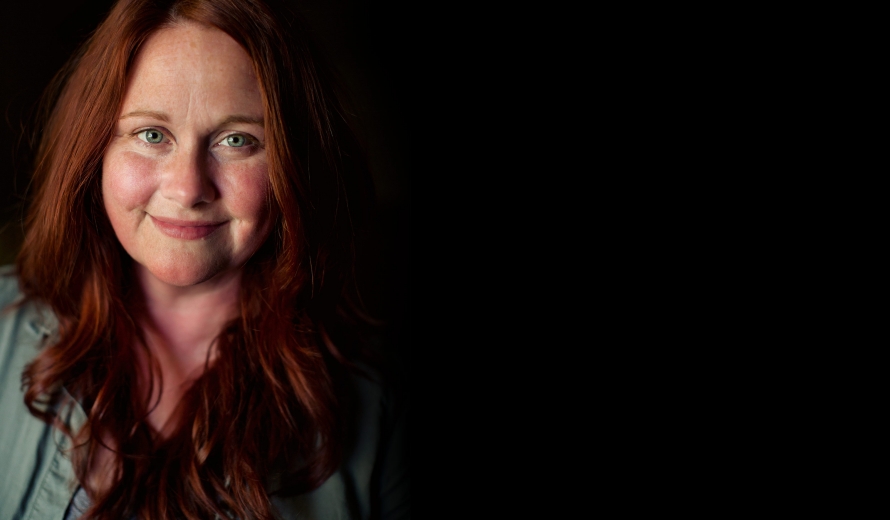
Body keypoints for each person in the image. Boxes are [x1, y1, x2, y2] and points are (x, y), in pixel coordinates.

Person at [0, 0, 408, 518]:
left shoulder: (381, 404)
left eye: (237, 140)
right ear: (93, 149)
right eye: (152, 134)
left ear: (294, 162)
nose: (188, 187)